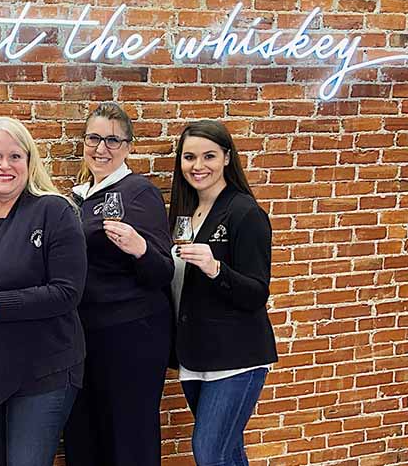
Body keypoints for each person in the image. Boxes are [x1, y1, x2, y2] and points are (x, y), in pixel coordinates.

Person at [0, 116, 87, 466]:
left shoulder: (54, 211)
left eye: (14, 156)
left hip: (44, 369)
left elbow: (67, 293)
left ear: (29, 162)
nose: (4, 165)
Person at [63, 103, 174, 466]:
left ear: (128, 147)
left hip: (131, 335)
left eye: (113, 140)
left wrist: (140, 248)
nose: (101, 148)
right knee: (86, 433)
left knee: (129, 437)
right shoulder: (76, 198)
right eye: (94, 138)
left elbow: (163, 271)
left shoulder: (139, 192)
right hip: (87, 335)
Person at [168, 120, 278, 466]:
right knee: (228, 451)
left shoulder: (245, 213)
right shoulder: (185, 214)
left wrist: (216, 269)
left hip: (236, 357)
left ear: (227, 158)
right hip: (195, 353)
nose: (198, 166)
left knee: (209, 451)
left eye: (209, 156)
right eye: (189, 157)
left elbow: (256, 292)